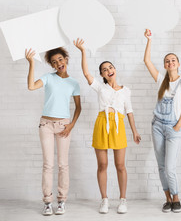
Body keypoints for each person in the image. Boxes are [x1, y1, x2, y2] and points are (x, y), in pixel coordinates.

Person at [74, 39, 141, 214]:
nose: (108, 70)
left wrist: (134, 131)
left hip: (118, 127)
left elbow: (129, 111)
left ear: (115, 70)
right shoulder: (100, 88)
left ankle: (123, 200)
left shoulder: (126, 90)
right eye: (104, 70)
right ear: (102, 75)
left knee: (120, 165)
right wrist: (82, 51)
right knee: (102, 164)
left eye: (110, 67)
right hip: (102, 123)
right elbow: (86, 73)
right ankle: (104, 199)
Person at [25, 47, 81, 216]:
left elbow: (78, 107)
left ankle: (62, 201)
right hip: (46, 125)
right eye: (54, 62)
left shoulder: (74, 83)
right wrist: (31, 63)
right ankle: (48, 202)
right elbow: (31, 86)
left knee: (63, 164)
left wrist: (71, 125)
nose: (59, 64)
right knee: (48, 164)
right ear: (52, 65)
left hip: (64, 125)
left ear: (66, 59)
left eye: (61, 60)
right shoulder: (48, 78)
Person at [143, 29, 181, 213]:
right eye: (167, 60)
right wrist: (149, 40)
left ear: (178, 63)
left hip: (174, 128)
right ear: (165, 65)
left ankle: (177, 198)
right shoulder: (160, 80)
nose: (170, 62)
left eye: (173, 60)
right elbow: (147, 61)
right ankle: (168, 199)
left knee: (170, 167)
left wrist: (178, 125)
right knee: (161, 165)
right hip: (157, 125)